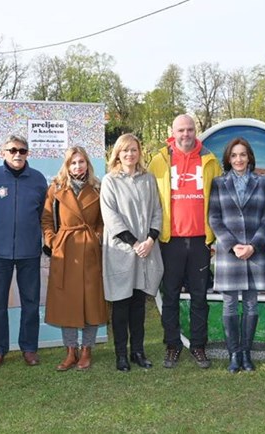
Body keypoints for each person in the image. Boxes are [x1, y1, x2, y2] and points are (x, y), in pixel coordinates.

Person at [148, 114, 222, 368]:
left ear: (196, 131)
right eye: (181, 130)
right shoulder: (159, 161)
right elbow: (149, 199)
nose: (186, 134)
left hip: (201, 241)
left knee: (200, 296)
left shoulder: (210, 161)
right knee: (169, 296)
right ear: (173, 132)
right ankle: (172, 345)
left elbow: (219, 200)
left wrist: (215, 238)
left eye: (190, 129)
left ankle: (199, 346)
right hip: (170, 241)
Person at [208, 138, 265, 373]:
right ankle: (234, 354)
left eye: (243, 155)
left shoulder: (262, 182)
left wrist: (253, 246)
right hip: (230, 253)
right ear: (228, 158)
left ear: (249, 157)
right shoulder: (218, 183)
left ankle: (247, 353)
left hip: (255, 253)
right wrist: (233, 245)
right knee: (229, 304)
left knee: (251, 304)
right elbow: (214, 218)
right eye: (234, 155)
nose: (238, 159)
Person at [0, 135, 48, 368]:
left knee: (31, 302)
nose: (17, 154)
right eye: (12, 150)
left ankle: (29, 348)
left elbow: (44, 215)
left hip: (29, 251)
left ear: (28, 153)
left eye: (22, 150)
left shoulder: (39, 180)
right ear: (4, 152)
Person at [101, 134, 164, 372]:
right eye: (125, 150)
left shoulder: (148, 179)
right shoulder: (110, 181)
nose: (130, 154)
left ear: (139, 152)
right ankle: (121, 355)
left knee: (138, 304)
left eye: (134, 150)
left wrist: (150, 239)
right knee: (121, 304)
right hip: (122, 251)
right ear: (117, 153)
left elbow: (157, 210)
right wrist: (134, 242)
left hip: (146, 251)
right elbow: (110, 216)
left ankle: (138, 351)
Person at [41, 146, 107, 371]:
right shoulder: (56, 188)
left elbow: (103, 219)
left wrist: (97, 237)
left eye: (81, 162)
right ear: (67, 165)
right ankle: (71, 351)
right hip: (65, 251)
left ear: (88, 164)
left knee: (91, 302)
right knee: (66, 303)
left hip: (89, 251)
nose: (78, 166)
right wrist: (52, 240)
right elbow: (47, 218)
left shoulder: (98, 188)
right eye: (73, 162)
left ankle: (87, 350)